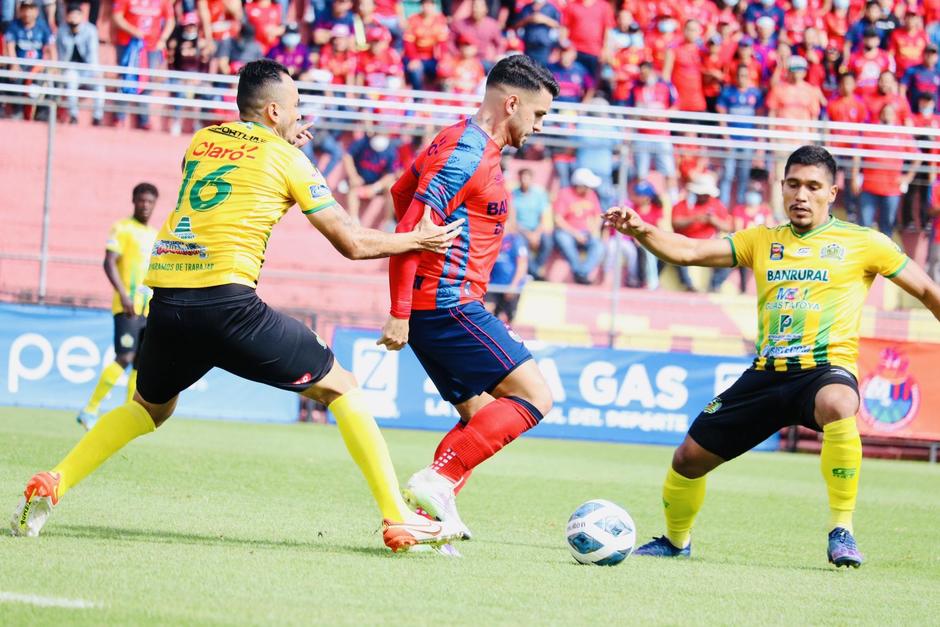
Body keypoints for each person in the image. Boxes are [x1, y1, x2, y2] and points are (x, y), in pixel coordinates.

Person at [12, 59, 466, 554]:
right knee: (344, 388)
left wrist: (280, 146)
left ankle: (54, 481)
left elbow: (235, 177)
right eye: (294, 106)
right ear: (274, 110)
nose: (299, 115)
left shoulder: (201, 142)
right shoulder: (290, 159)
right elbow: (352, 242)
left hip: (167, 301)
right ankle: (397, 519)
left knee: (148, 407)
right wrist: (416, 240)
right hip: (227, 304)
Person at [604, 144, 940, 567]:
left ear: (832, 193)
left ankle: (842, 530)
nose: (802, 195)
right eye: (794, 185)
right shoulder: (761, 241)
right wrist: (642, 231)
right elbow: (688, 251)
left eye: (813, 187)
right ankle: (676, 541)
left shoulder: (864, 243)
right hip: (766, 374)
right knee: (687, 459)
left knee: (839, 403)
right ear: (782, 187)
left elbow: (928, 290)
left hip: (823, 371)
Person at [376, 55, 558, 540]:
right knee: (535, 395)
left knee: (480, 415)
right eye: (538, 115)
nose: (539, 127)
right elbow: (410, 226)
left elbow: (402, 191)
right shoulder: (467, 153)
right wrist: (400, 310)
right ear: (512, 102)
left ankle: (420, 524)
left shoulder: (455, 139)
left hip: (437, 304)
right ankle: (438, 480)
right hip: (450, 303)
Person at [74, 183, 158, 431]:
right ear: (133, 200)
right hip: (127, 306)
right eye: (141, 200)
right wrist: (123, 294)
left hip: (148, 309)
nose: (145, 205)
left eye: (149, 201)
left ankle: (126, 416)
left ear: (154, 204)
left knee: (140, 364)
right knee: (124, 356)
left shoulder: (155, 234)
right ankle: (90, 409)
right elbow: (109, 262)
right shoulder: (122, 228)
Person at [671, 173, 733, 292]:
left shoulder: (716, 204)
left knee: (731, 257)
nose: (705, 196)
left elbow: (728, 226)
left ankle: (715, 285)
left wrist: (714, 221)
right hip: (687, 243)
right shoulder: (683, 204)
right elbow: (675, 223)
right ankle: (688, 285)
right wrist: (695, 218)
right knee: (674, 254)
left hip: (710, 243)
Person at [553, 167, 606, 284]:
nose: (589, 189)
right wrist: (575, 234)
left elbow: (598, 215)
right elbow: (558, 220)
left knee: (599, 246)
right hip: (568, 232)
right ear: (580, 185)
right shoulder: (564, 193)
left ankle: (582, 272)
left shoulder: (591, 194)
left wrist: (594, 230)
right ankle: (579, 272)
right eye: (587, 186)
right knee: (563, 238)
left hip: (586, 233)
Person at [57, 2, 104, 125]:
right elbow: (62, 56)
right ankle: (73, 116)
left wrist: (95, 71)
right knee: (70, 81)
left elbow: (93, 54)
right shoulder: (62, 31)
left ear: (82, 16)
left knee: (100, 84)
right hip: (71, 68)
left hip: (88, 68)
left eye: (76, 15)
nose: (73, 17)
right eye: (71, 15)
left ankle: (97, 117)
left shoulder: (90, 30)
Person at [342, 132, 400, 223]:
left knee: (391, 187)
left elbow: (391, 174)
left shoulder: (391, 149)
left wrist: (375, 188)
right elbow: (347, 156)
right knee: (352, 187)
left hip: (377, 185)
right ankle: (353, 221)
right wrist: (353, 176)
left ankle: (388, 223)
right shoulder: (363, 142)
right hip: (360, 180)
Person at [513, 167, 553, 279]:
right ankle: (537, 274)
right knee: (522, 245)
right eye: (522, 178)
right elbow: (512, 220)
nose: (525, 180)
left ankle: (534, 270)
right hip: (520, 230)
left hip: (536, 229)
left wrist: (537, 233)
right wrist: (528, 235)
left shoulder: (539, 194)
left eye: (527, 178)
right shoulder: (513, 195)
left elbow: (543, 217)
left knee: (548, 241)